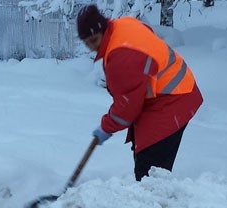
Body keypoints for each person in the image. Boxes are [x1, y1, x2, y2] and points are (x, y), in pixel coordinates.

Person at [76, 4, 203, 181]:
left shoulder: (121, 56)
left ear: (104, 29)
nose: (92, 47)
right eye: (87, 42)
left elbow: (127, 109)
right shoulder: (124, 24)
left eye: (94, 40)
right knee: (147, 166)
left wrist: (106, 127)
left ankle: (157, 205)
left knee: (149, 174)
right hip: (175, 90)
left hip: (172, 101)